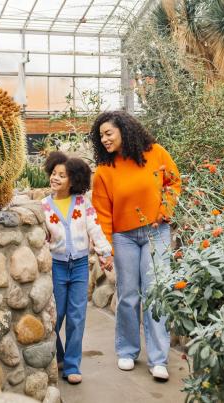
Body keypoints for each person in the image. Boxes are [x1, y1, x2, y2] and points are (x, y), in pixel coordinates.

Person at [90, 111, 181, 381]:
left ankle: (158, 359)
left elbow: (173, 182)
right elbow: (102, 213)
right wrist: (106, 250)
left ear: (124, 130)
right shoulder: (105, 170)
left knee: (154, 293)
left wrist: (165, 210)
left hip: (156, 232)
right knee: (128, 295)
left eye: (109, 133)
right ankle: (127, 351)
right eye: (101, 136)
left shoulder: (155, 153)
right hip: (124, 237)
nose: (104, 139)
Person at [41, 151, 114, 385]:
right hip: (58, 267)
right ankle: (60, 355)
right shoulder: (44, 206)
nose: (56, 178)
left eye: (62, 175)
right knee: (56, 316)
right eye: (54, 173)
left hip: (81, 266)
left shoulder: (82, 203)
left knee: (76, 317)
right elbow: (41, 238)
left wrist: (104, 252)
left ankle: (72, 365)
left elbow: (94, 228)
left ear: (73, 180)